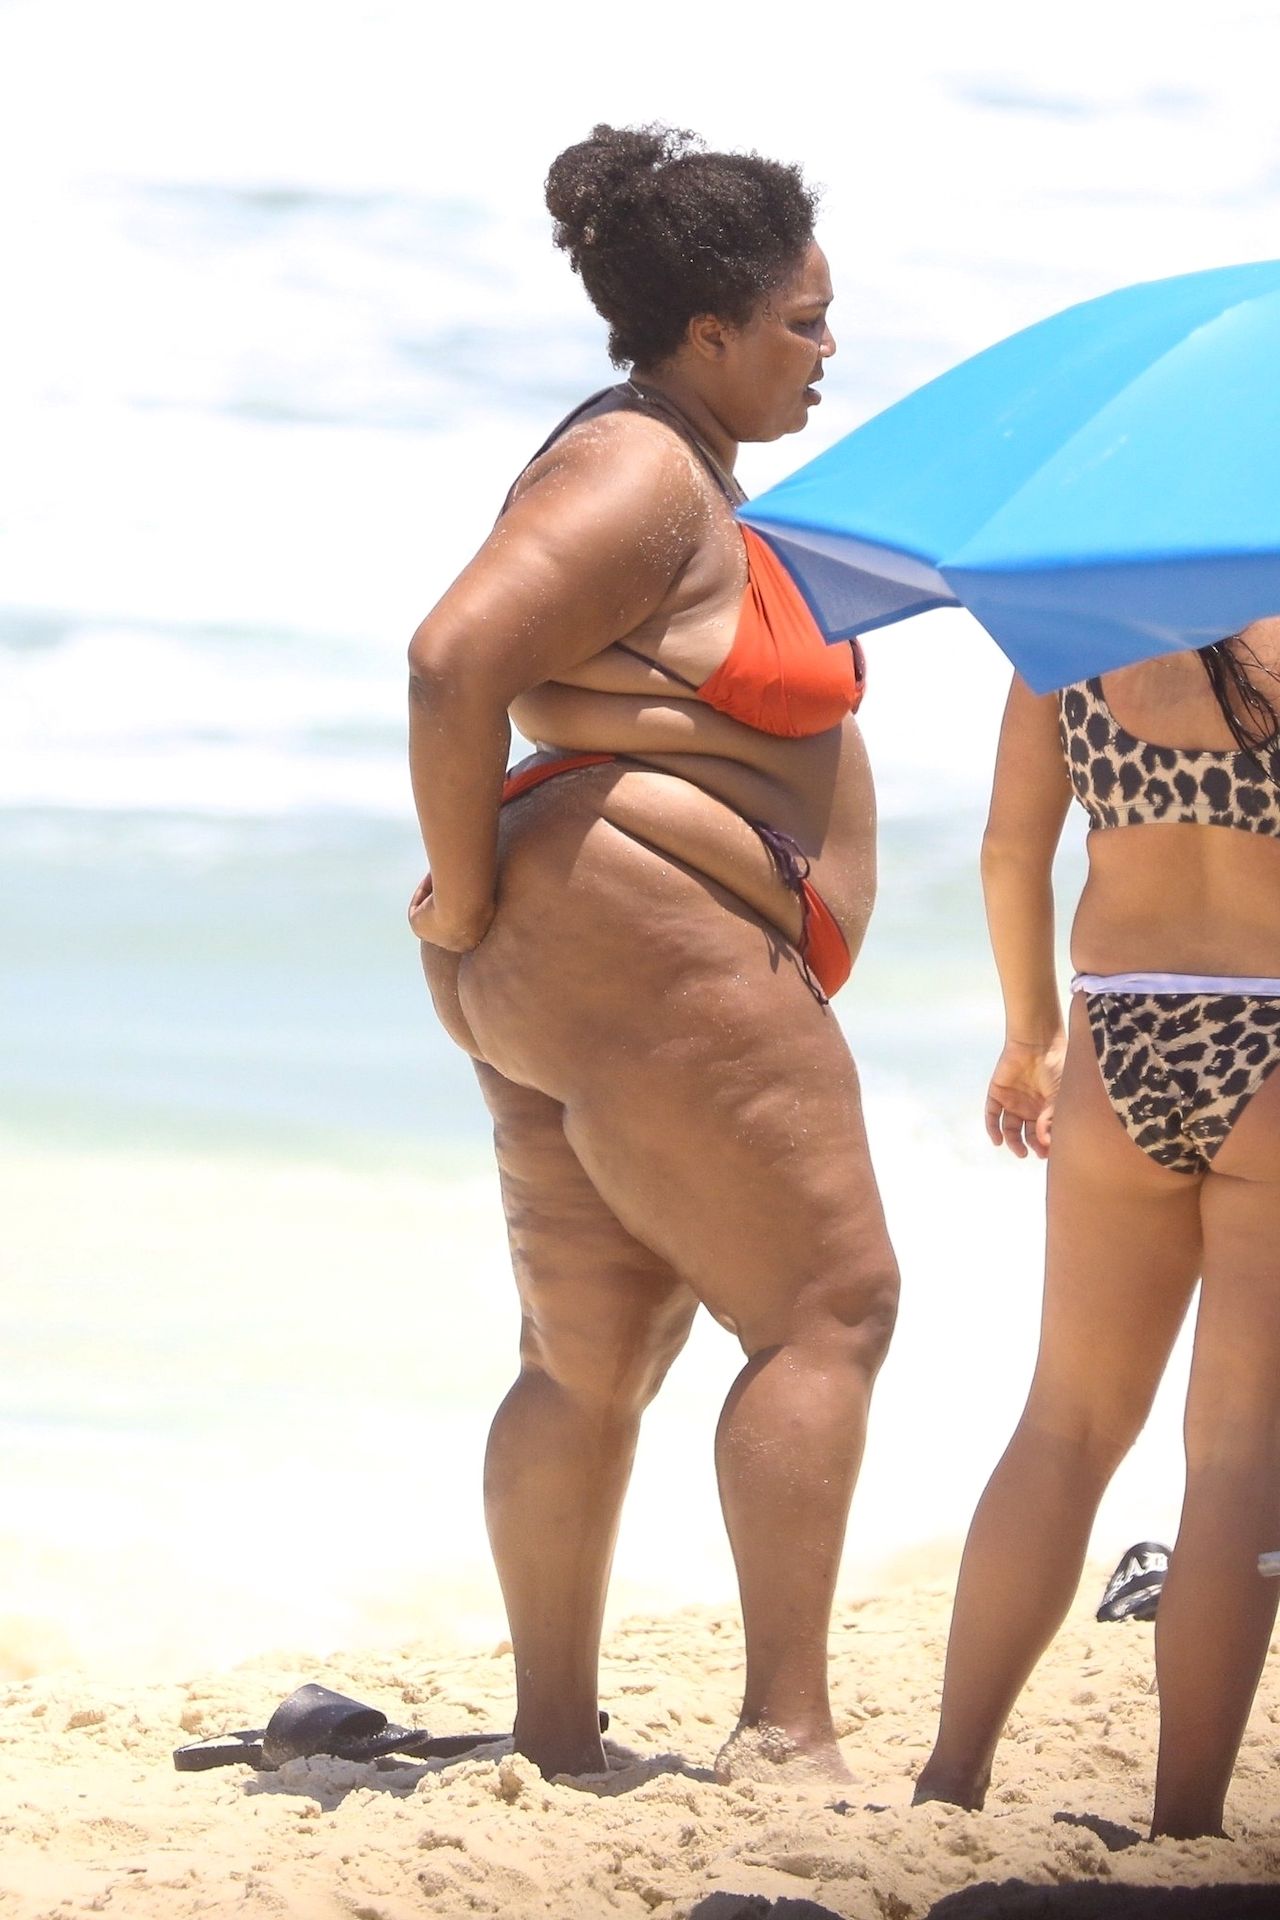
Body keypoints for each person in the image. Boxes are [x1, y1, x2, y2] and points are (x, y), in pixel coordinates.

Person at [406, 124, 898, 1781]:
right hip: (644, 944)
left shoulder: (661, 459)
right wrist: (461, 897)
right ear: (712, 331)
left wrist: (482, 921)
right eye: (807, 322)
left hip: (592, 956)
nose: (831, 352)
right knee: (830, 1306)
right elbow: (450, 661)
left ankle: (555, 1737)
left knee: (590, 1351)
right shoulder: (636, 469)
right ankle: (787, 1732)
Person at [914, 626, 1280, 1838]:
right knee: (1235, 1455)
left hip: (1116, 1034)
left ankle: (949, 1776)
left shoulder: (1071, 643)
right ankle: (1184, 1826)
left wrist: (1028, 1038)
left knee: (1063, 1422)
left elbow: (1008, 851)